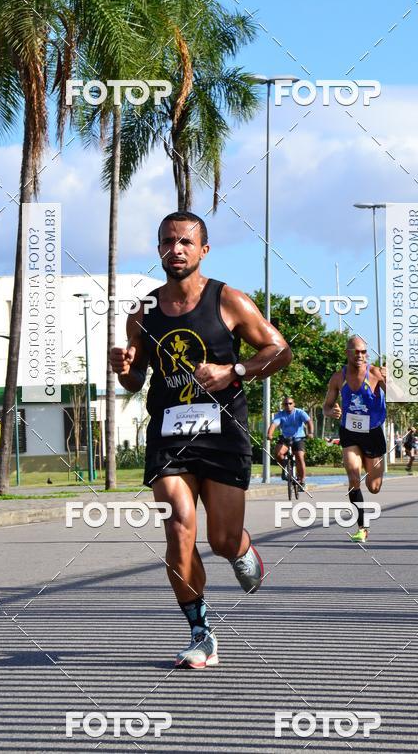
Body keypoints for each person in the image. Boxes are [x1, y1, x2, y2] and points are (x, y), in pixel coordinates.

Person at [109, 211, 291, 669]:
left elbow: (280, 351)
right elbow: (134, 381)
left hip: (224, 432)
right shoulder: (143, 311)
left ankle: (242, 549)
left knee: (222, 539)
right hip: (170, 435)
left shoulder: (228, 300)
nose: (177, 249)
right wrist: (123, 366)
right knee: (178, 529)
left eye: (186, 242)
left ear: (203, 250)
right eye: (168, 242)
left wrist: (236, 370)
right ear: (159, 250)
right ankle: (201, 631)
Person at [323, 335, 386, 543]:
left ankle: (371, 474)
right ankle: (362, 527)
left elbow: (400, 399)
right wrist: (331, 411)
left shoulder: (376, 373)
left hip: (373, 433)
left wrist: (392, 380)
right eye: (356, 351)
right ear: (347, 353)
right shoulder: (337, 378)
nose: (360, 355)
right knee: (352, 475)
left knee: (374, 487)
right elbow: (327, 406)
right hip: (349, 431)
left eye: (363, 352)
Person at [267, 397, 313, 487]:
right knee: (278, 454)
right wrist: (269, 434)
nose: (288, 405)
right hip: (285, 439)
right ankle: (286, 468)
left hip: (298, 438)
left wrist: (310, 432)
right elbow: (274, 424)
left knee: (299, 457)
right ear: (283, 405)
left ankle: (302, 480)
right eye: (285, 404)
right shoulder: (280, 414)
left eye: (290, 403)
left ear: (294, 404)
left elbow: (308, 421)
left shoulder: (300, 412)